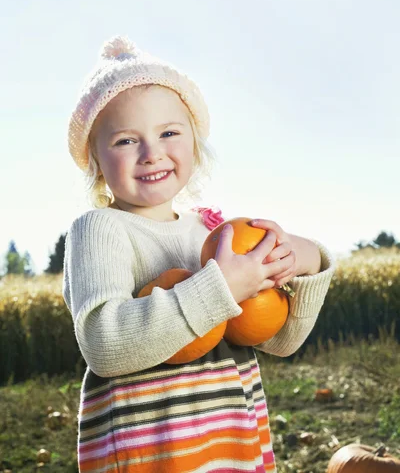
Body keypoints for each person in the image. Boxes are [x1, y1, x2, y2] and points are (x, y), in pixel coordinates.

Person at [63, 35, 335, 473]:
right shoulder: (100, 230)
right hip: (151, 454)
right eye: (126, 141)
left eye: (169, 132)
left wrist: (305, 260)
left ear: (194, 141)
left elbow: (280, 340)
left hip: (229, 446)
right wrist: (219, 287)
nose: (152, 153)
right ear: (94, 159)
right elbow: (105, 346)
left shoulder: (214, 233)